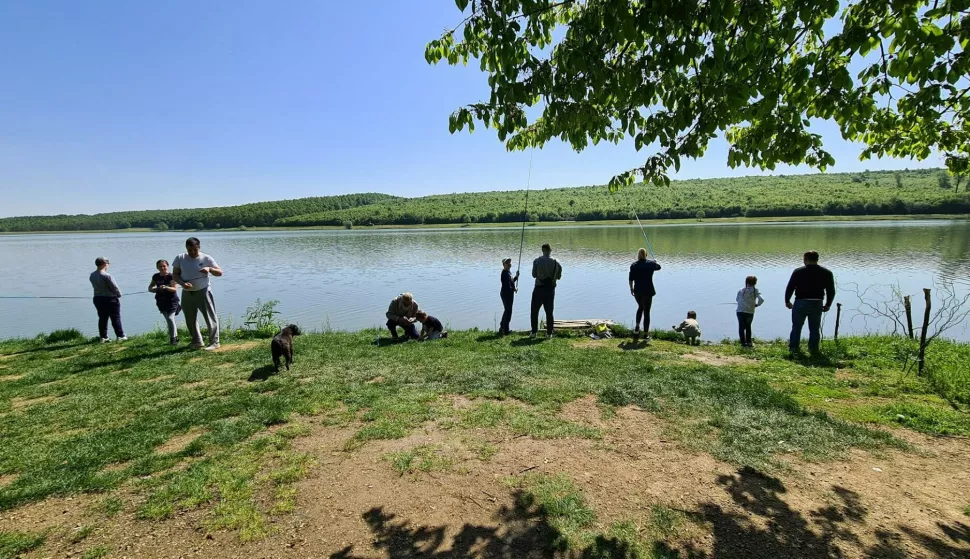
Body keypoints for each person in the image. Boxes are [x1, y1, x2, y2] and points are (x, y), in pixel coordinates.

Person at [173, 237, 223, 350]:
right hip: (187, 292)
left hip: (203, 291)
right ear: (186, 248)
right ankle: (197, 342)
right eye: (189, 250)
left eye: (194, 250)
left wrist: (209, 269)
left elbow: (220, 272)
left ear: (199, 247)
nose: (192, 252)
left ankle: (215, 342)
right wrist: (182, 283)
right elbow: (175, 275)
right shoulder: (180, 258)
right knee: (190, 319)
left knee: (210, 317)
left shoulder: (206, 258)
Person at [785, 250, 836, 355]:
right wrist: (828, 304)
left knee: (796, 327)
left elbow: (790, 287)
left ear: (806, 259)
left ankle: (793, 348)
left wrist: (787, 301)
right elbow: (831, 290)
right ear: (817, 259)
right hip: (817, 303)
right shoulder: (826, 272)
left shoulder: (798, 271)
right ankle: (813, 349)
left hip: (800, 302)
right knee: (814, 328)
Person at [89, 257, 127, 343]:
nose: (108, 265)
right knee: (115, 317)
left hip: (97, 298)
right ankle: (120, 336)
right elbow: (114, 287)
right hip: (110, 299)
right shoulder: (107, 275)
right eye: (107, 263)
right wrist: (119, 294)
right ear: (104, 264)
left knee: (102, 318)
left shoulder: (92, 275)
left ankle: (103, 337)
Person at [628, 248, 662, 342]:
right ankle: (646, 334)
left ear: (638, 255)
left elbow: (631, 279)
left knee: (640, 307)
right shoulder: (651, 264)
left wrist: (631, 289)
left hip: (637, 291)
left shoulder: (634, 265)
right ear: (646, 255)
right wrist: (655, 262)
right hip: (648, 290)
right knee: (646, 312)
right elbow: (659, 267)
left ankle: (637, 328)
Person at [530, 243, 563, 339]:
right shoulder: (557, 262)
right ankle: (549, 334)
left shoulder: (536, 261)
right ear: (550, 250)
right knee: (549, 312)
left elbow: (533, 275)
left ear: (542, 250)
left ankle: (534, 333)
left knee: (534, 311)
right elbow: (559, 277)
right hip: (550, 290)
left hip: (538, 289)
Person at [148, 259, 181, 345]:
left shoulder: (171, 276)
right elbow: (150, 288)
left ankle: (173, 339)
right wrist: (156, 289)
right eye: (160, 266)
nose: (162, 268)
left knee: (170, 318)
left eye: (164, 266)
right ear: (157, 267)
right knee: (169, 320)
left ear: (167, 266)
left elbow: (174, 289)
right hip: (160, 301)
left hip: (172, 301)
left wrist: (166, 288)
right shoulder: (155, 276)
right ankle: (176, 337)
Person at [736, 275, 765, 348]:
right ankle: (749, 343)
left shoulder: (741, 290)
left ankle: (743, 343)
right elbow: (762, 299)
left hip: (740, 311)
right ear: (755, 283)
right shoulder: (756, 290)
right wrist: (757, 305)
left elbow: (737, 299)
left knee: (741, 327)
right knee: (748, 326)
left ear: (746, 282)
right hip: (750, 312)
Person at [499, 258, 519, 336]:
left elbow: (511, 282)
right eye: (507, 263)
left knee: (507, 311)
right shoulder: (504, 273)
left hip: (508, 294)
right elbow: (507, 286)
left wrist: (516, 277)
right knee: (508, 312)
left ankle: (502, 328)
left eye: (510, 262)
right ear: (504, 265)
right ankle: (505, 331)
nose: (509, 264)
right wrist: (514, 289)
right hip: (506, 294)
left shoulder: (508, 272)